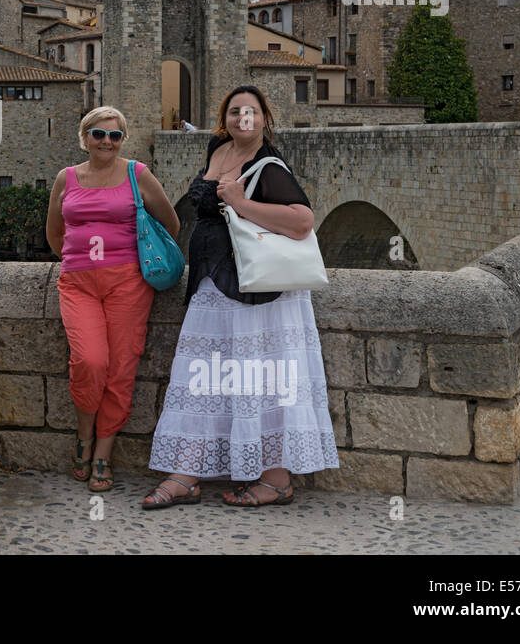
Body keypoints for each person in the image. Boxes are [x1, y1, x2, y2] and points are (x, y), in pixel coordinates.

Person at [143, 84, 338, 509]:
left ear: (264, 119)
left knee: (262, 380)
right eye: (235, 112)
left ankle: (276, 479)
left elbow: (302, 221)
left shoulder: (269, 164)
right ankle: (186, 475)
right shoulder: (217, 149)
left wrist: (239, 202)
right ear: (224, 118)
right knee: (200, 379)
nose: (242, 119)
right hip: (212, 285)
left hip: (257, 291)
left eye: (250, 112)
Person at [45, 106, 181, 492]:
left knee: (121, 368)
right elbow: (55, 233)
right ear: (85, 137)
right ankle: (84, 435)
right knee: (90, 361)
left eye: (114, 135)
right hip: (79, 283)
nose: (106, 142)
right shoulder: (66, 179)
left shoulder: (137, 175)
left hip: (128, 284)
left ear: (123, 140)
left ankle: (103, 452)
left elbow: (169, 223)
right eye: (99, 134)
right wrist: (80, 259)